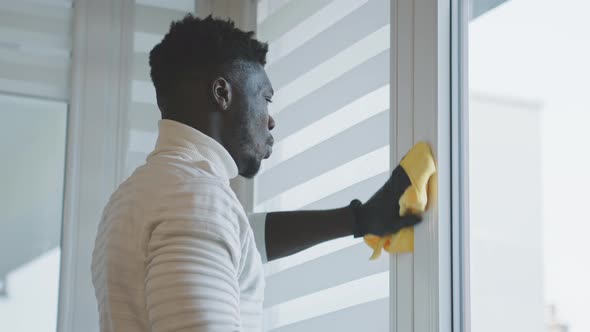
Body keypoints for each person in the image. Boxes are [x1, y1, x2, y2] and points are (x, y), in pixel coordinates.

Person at [91, 15, 422, 332]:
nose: (271, 120)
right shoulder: (197, 200)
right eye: (265, 99)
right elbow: (213, 226)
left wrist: (359, 220)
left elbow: (240, 236)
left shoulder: (136, 197)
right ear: (222, 93)